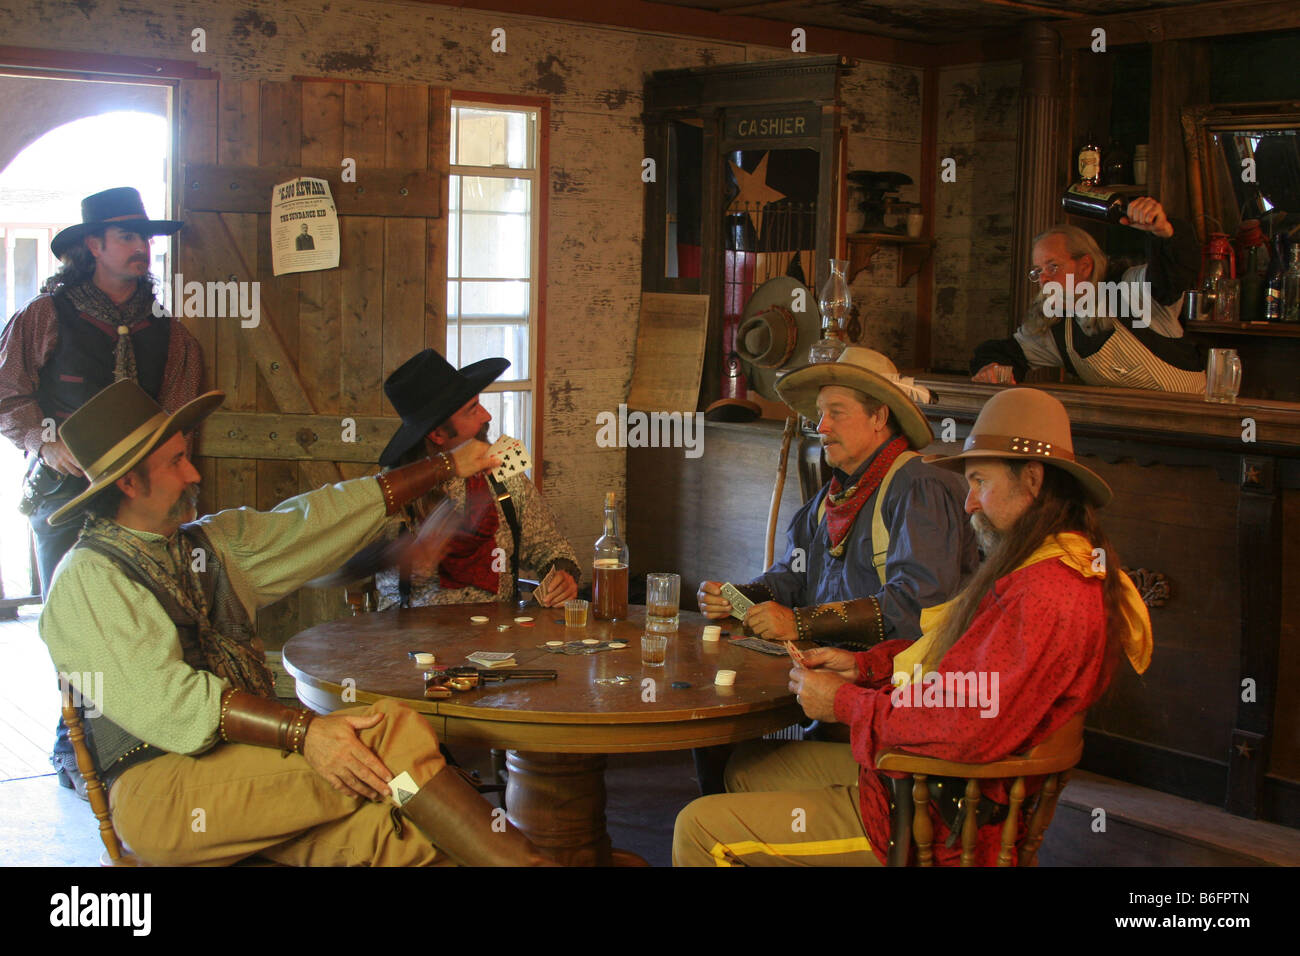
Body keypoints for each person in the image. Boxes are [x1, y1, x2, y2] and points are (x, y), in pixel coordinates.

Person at [38, 380, 553, 865]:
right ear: (129, 482)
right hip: (163, 792)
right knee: (388, 732)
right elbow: (171, 703)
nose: (193, 474)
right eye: (176, 462)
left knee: (398, 833)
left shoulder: (212, 545)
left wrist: (444, 467)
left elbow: (317, 517)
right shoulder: (88, 579)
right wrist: (306, 731)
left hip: (248, 770)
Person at [673, 388, 1153, 866]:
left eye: (980, 482)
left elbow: (962, 721)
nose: (968, 504)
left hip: (935, 815)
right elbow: (951, 667)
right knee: (746, 768)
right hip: (929, 778)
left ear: (1031, 480)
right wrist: (863, 667)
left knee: (696, 826)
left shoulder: (1046, 593)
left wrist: (844, 703)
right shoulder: (1042, 566)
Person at [0, 186, 203, 796]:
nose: (142, 249)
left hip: (141, 500)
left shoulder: (175, 337)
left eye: (145, 238)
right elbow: (8, 396)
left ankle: (144, 729)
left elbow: (178, 417)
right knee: (76, 623)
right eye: (128, 237)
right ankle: (77, 738)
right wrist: (49, 442)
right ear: (92, 246)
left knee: (148, 616)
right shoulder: (42, 318)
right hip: (63, 498)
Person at [697, 347, 977, 650]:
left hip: (898, 686)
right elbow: (795, 577)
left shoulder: (921, 487)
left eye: (837, 413)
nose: (821, 427)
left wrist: (800, 623)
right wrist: (736, 597)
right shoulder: (826, 500)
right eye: (820, 414)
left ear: (879, 417)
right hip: (827, 672)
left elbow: (917, 606)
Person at [371, 348, 580, 610]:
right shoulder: (392, 490)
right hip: (411, 639)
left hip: (499, 637)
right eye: (473, 410)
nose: (487, 416)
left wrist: (562, 574)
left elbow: (551, 547)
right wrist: (400, 552)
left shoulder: (504, 471)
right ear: (438, 434)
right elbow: (344, 564)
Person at [970, 197, 1205, 392]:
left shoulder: (1132, 291)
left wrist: (1164, 232)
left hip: (1195, 426)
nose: (1043, 279)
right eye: (1038, 271)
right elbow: (1008, 352)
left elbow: (1174, 272)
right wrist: (990, 367)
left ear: (1085, 265)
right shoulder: (1057, 328)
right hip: (1129, 434)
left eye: (1053, 267)